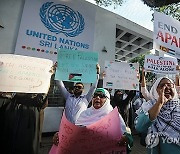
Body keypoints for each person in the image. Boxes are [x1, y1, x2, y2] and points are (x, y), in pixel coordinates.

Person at [53, 88, 133, 153]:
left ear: (107, 100)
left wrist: (126, 139)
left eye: (102, 96)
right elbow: (74, 134)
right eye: (95, 95)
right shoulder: (84, 114)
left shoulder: (114, 116)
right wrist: (61, 136)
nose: (97, 98)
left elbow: (129, 139)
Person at [135, 76, 180, 154]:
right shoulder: (149, 106)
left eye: (169, 85)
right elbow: (139, 127)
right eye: (162, 85)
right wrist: (159, 103)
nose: (166, 88)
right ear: (155, 90)